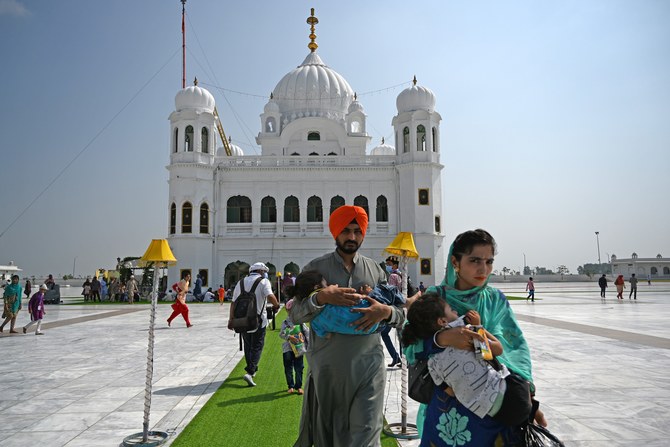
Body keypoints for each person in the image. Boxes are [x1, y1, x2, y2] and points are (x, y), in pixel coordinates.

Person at [404, 229, 546, 446]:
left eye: (489, 261)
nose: (484, 269)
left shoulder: (494, 300)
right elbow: (410, 339)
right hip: (449, 411)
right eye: (475, 260)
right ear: (455, 261)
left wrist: (526, 395)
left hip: (495, 405)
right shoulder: (436, 297)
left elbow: (514, 347)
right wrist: (442, 339)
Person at [289, 205, 406, 447]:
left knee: (366, 436)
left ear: (363, 233)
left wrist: (385, 312)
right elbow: (295, 315)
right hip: (328, 370)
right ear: (335, 233)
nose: (352, 237)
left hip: (369, 368)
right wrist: (321, 298)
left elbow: (400, 314)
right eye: (346, 231)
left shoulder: (375, 270)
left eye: (357, 231)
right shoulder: (315, 269)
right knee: (330, 437)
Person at [401, 293, 539, 430]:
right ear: (442, 321)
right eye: (451, 309)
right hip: (512, 395)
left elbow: (450, 392)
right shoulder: (465, 332)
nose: (455, 311)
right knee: (520, 387)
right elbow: (496, 349)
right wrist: (478, 326)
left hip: (486, 412)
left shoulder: (432, 362)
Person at [228, 262, 279, 387]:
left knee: (248, 345)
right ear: (261, 271)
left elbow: (233, 303)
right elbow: (270, 296)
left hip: (242, 320)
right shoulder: (263, 282)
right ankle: (250, 372)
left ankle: (252, 369)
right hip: (258, 320)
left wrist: (231, 319)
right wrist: (276, 305)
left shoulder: (240, 283)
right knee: (257, 346)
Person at [280, 300, 310, 395]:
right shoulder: (285, 322)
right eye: (290, 311)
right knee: (288, 367)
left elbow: (307, 333)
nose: (292, 313)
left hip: (299, 348)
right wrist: (289, 337)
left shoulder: (301, 322)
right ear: (287, 311)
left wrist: (307, 344)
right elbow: (281, 334)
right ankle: (291, 386)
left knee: (299, 368)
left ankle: (299, 386)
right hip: (288, 349)